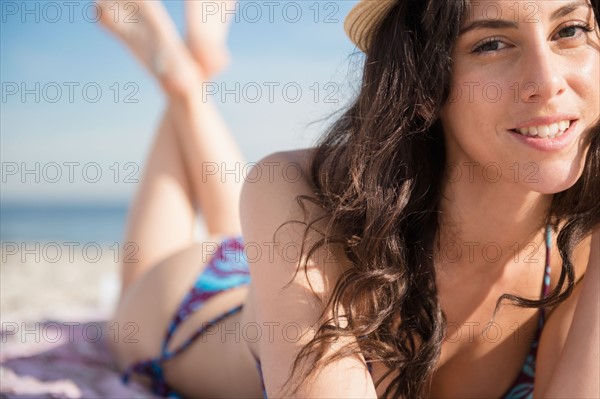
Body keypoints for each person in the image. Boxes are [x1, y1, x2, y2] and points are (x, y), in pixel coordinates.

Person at [99, 0, 600, 398]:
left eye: (570, 30)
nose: (548, 81)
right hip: (195, 305)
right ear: (422, 81)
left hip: (283, 261)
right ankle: (184, 80)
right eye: (491, 43)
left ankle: (193, 66)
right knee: (139, 299)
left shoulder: (580, 238)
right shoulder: (292, 183)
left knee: (272, 233)